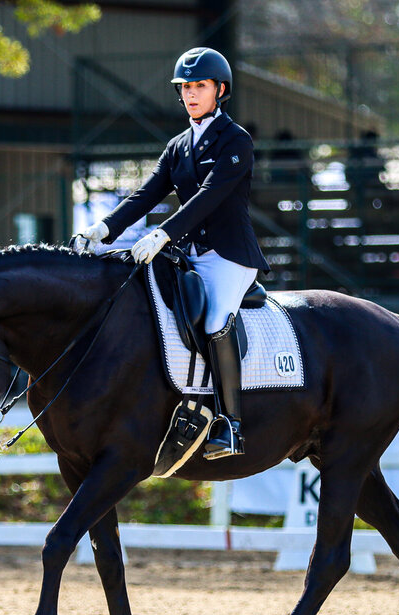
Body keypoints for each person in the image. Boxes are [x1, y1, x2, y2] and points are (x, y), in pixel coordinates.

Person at [75, 46, 269, 460]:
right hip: (188, 252)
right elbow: (147, 193)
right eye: (185, 87)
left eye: (200, 86)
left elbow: (209, 196)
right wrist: (104, 228)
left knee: (217, 319)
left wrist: (162, 235)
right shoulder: (178, 145)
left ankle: (230, 424)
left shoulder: (236, 141)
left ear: (220, 89)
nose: (192, 94)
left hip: (229, 256)